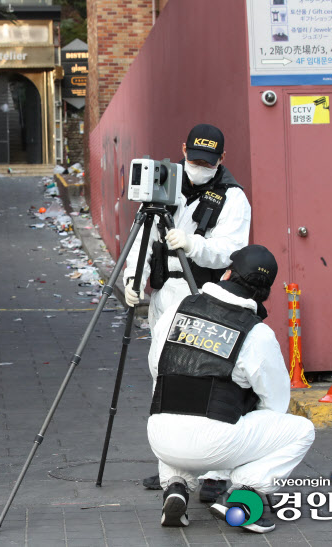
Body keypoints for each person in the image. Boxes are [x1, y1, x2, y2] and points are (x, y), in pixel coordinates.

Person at [147, 245, 315, 533]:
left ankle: (175, 486)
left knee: (173, 397)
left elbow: (156, 367)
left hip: (160, 438)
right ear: (264, 294)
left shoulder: (179, 307)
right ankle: (244, 494)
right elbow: (275, 404)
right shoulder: (257, 333)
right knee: (301, 430)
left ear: (227, 273)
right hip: (214, 444)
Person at [124, 123, 251, 502]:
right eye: (194, 159)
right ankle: (173, 468)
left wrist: (194, 244)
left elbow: (231, 250)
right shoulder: (163, 185)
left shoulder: (232, 197)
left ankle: (214, 472)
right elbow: (143, 239)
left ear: (221, 160)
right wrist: (134, 278)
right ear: (182, 149)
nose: (199, 166)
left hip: (207, 293)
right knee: (163, 376)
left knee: (207, 377)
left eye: (207, 162)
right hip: (167, 292)